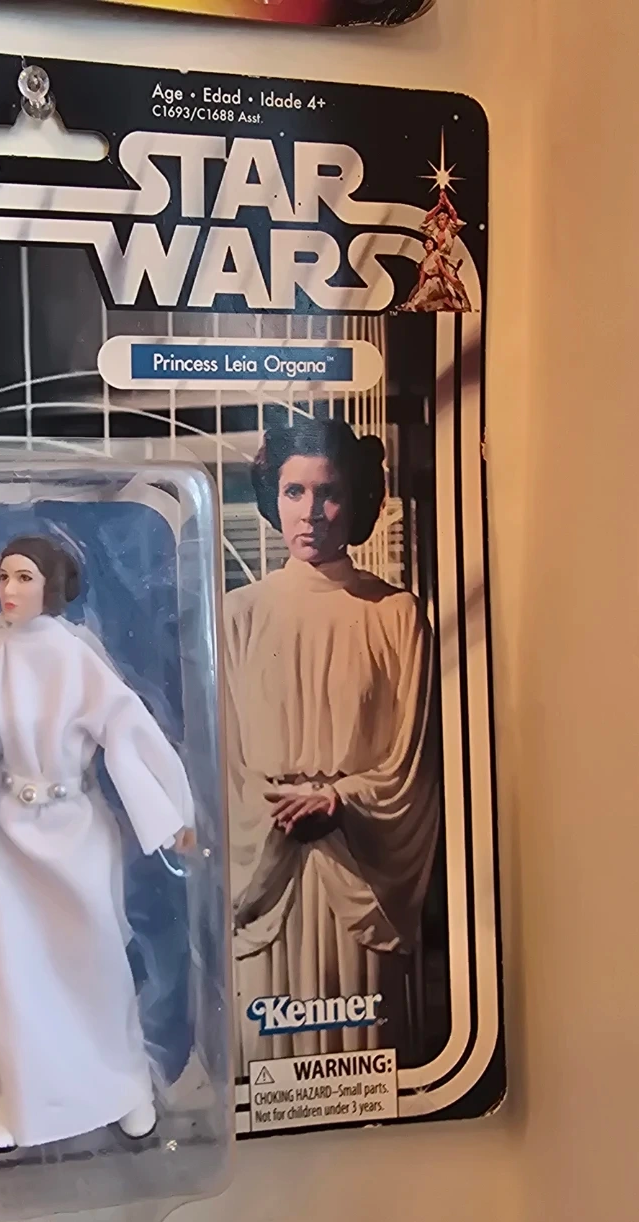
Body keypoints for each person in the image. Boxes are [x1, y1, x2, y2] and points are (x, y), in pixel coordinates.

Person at [0, 534, 195, 1151]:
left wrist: (170, 818)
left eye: (24, 577)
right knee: (9, 967)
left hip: (77, 832)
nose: (9, 589)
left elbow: (125, 728)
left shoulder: (75, 652)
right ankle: (17, 1099)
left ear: (51, 586)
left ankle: (124, 1088)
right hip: (9, 835)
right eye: (4, 577)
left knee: (98, 961)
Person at [225, 417, 439, 1064]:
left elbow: (414, 763)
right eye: (294, 491)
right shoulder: (239, 615)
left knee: (367, 1052)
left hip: (360, 873)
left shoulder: (396, 614)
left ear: (358, 499)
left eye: (329, 493)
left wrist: (341, 802)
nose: (311, 512)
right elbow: (223, 763)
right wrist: (277, 816)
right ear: (273, 497)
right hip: (268, 875)